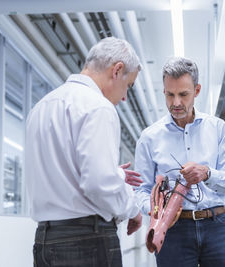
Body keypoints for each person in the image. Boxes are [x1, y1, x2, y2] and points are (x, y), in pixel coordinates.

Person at [26, 37, 143, 267]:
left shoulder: (41, 107)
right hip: (87, 241)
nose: (124, 97)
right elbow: (99, 184)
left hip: (44, 242)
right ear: (117, 70)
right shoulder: (99, 107)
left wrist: (114, 174)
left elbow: (63, 173)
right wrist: (133, 209)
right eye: (128, 85)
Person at [135, 57, 225, 267]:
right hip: (173, 230)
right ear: (164, 91)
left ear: (197, 90)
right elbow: (140, 190)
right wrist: (158, 208)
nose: (176, 103)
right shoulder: (150, 137)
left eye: (183, 94)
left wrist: (208, 174)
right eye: (170, 94)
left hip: (216, 225)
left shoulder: (218, 128)